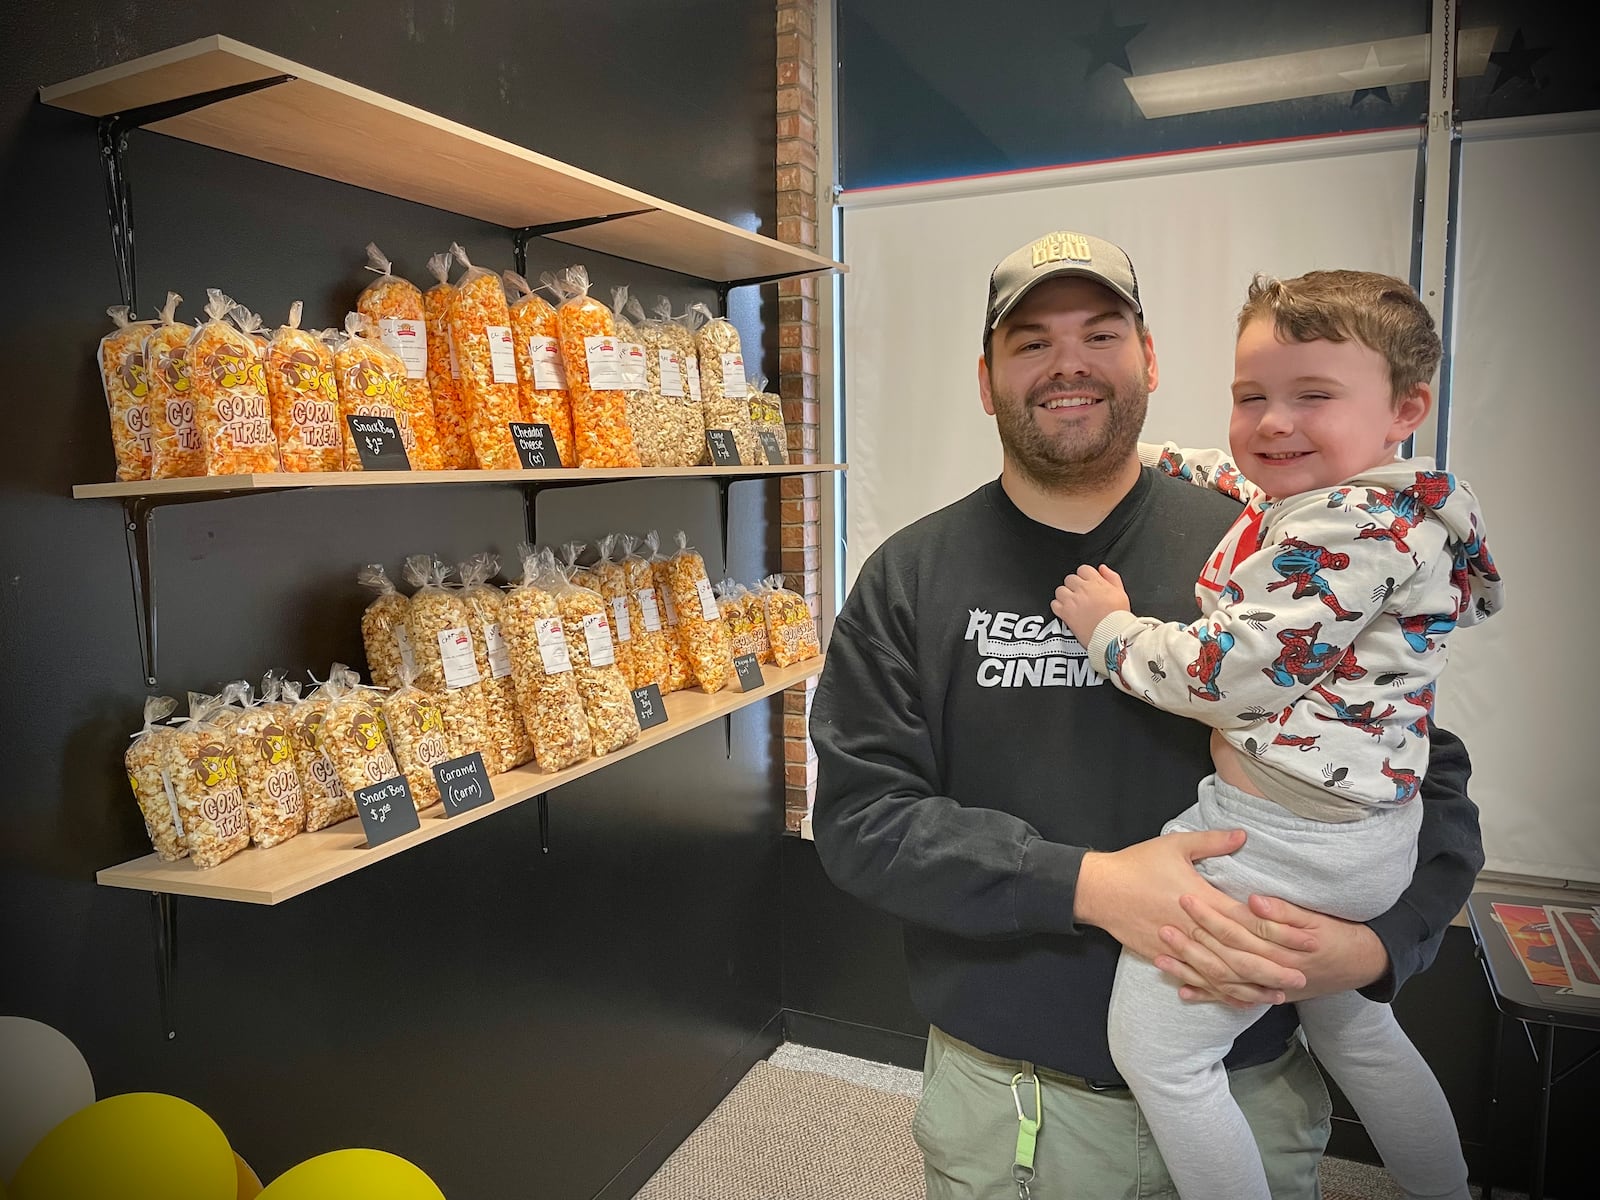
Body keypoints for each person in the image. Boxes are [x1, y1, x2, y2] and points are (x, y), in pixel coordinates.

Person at [810, 231, 1486, 1199]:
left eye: (1101, 332)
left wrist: (1383, 945)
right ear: (985, 377)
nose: (1068, 363)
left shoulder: (1276, 540)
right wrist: (1088, 885)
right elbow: (860, 823)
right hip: (1009, 1107)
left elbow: (1420, 767)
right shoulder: (912, 577)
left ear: (1151, 357)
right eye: (1031, 341)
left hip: (1248, 1089)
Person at [1050, 269, 1499, 1200]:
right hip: (1364, 833)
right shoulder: (1359, 498)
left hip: (1295, 843)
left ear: (1405, 408)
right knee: (1357, 1031)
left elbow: (1231, 674)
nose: (1273, 423)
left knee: (1158, 1052)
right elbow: (1257, 484)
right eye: (1251, 396)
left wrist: (1109, 630)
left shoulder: (1350, 534)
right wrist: (1166, 459)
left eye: (1312, 397)